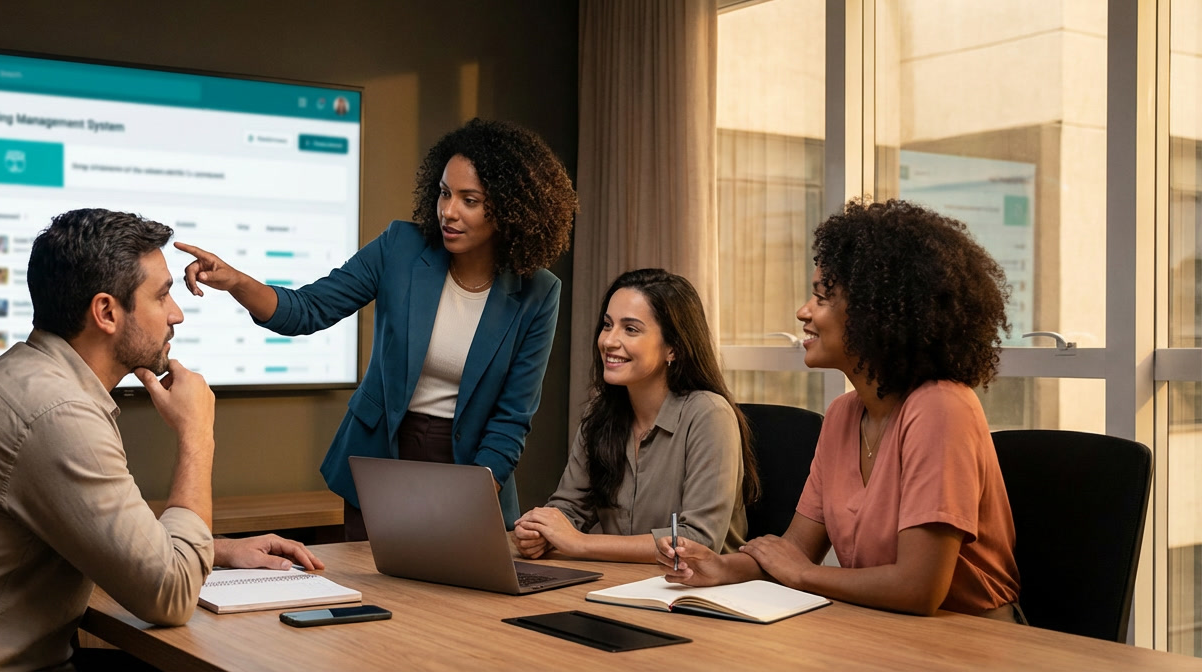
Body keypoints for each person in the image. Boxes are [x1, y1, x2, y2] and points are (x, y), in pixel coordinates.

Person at [0, 209, 322, 671]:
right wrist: (197, 434)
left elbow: (93, 528)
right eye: (162, 295)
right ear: (106, 311)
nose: (177, 314)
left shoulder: (29, 378)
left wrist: (213, 548)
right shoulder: (58, 413)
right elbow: (173, 595)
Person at [176, 118, 577, 538]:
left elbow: (512, 417)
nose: (448, 211)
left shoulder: (538, 292)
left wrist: (471, 497)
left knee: (452, 602)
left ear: (511, 209)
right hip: (382, 453)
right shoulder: (401, 247)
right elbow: (308, 308)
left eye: (469, 200)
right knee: (374, 595)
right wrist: (237, 281)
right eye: (444, 193)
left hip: (470, 469)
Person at [659, 199, 1024, 622]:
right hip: (881, 628)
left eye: (822, 297)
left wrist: (804, 575)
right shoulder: (842, 415)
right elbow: (795, 549)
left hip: (974, 641)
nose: (803, 312)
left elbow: (919, 588)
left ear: (877, 313)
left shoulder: (941, 407)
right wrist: (721, 567)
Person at [513, 269, 758, 563]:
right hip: (620, 586)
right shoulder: (600, 412)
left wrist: (581, 544)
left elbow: (698, 540)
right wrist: (540, 532)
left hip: (695, 596)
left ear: (673, 348)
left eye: (630, 329)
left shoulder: (709, 414)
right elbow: (570, 511)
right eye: (607, 325)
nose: (608, 341)